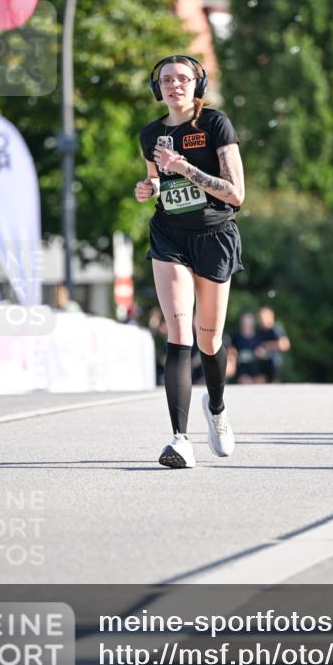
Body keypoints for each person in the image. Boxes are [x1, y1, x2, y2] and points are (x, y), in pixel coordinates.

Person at [135, 54, 245, 468]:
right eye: (166, 79)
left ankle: (215, 408)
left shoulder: (214, 124)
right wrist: (148, 188)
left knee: (209, 340)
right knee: (178, 332)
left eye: (183, 79)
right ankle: (179, 440)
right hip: (169, 235)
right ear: (156, 87)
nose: (174, 85)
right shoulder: (150, 134)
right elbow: (157, 182)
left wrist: (185, 168)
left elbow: (236, 194)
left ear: (196, 85)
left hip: (215, 236)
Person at [256, 305, 290, 383]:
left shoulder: (276, 329)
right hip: (261, 364)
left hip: (274, 363)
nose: (262, 319)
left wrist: (267, 346)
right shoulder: (259, 330)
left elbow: (285, 344)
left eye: (264, 316)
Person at [230, 312, 265, 384]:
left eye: (249, 323)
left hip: (257, 369)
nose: (247, 325)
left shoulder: (259, 336)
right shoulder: (236, 337)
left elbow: (264, 350)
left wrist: (261, 351)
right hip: (242, 370)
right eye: (245, 323)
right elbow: (231, 352)